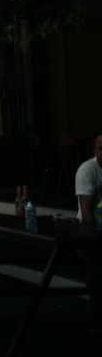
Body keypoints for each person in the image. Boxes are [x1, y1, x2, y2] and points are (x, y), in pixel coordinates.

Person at [75, 132, 102, 325]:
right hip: (90, 231)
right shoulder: (88, 170)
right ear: (94, 151)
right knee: (97, 266)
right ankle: (97, 319)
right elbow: (86, 212)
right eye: (101, 148)